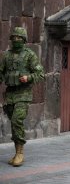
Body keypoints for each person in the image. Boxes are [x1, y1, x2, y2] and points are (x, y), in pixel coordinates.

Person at [0, 27, 45, 167]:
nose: (16, 40)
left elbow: (40, 74)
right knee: (14, 123)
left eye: (19, 38)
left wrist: (28, 77)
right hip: (10, 94)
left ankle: (20, 153)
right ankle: (17, 152)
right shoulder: (6, 56)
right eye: (14, 38)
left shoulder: (29, 55)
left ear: (24, 40)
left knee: (17, 119)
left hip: (23, 94)